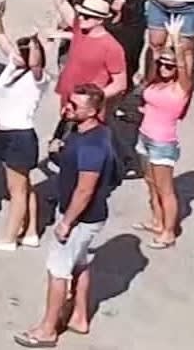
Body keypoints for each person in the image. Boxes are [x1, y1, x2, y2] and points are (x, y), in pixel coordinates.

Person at [15, 84, 121, 348]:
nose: (67, 108)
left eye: (75, 105)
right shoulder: (84, 131)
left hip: (81, 219)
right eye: (68, 102)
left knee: (58, 270)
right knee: (79, 263)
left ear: (93, 111)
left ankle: (47, 330)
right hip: (86, 216)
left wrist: (66, 222)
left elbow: (85, 190)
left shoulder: (93, 145)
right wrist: (59, 151)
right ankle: (79, 317)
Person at [0, 10, 47, 252]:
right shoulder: (13, 64)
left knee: (16, 190)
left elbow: (36, 63)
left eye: (23, 51)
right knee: (24, 185)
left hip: (19, 136)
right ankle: (30, 232)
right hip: (4, 133)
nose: (17, 53)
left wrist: (36, 41)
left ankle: (8, 239)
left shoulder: (38, 78)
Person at [135, 16, 193, 250]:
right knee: (150, 183)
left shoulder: (182, 87)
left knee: (165, 189)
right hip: (144, 136)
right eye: (163, 64)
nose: (165, 68)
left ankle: (168, 232)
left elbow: (183, 67)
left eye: (170, 65)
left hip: (162, 142)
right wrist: (163, 44)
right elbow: (153, 53)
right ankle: (158, 221)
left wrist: (177, 42)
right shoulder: (155, 82)